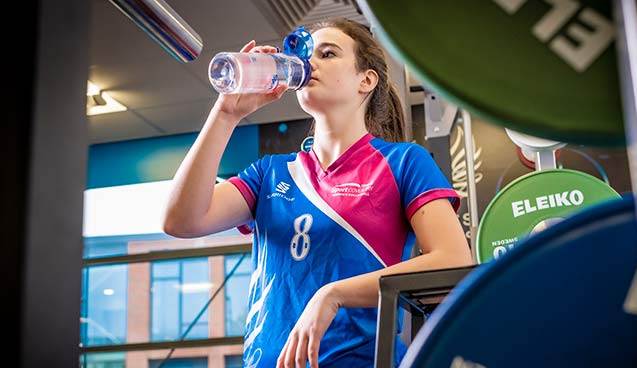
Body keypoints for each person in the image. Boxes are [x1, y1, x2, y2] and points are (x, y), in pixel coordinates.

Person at [162, 18, 472, 368]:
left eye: (327, 54)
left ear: (365, 80)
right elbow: (180, 220)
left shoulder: (402, 162)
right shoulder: (271, 173)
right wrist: (226, 113)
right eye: (308, 54)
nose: (310, 63)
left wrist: (334, 295)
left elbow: (453, 260)